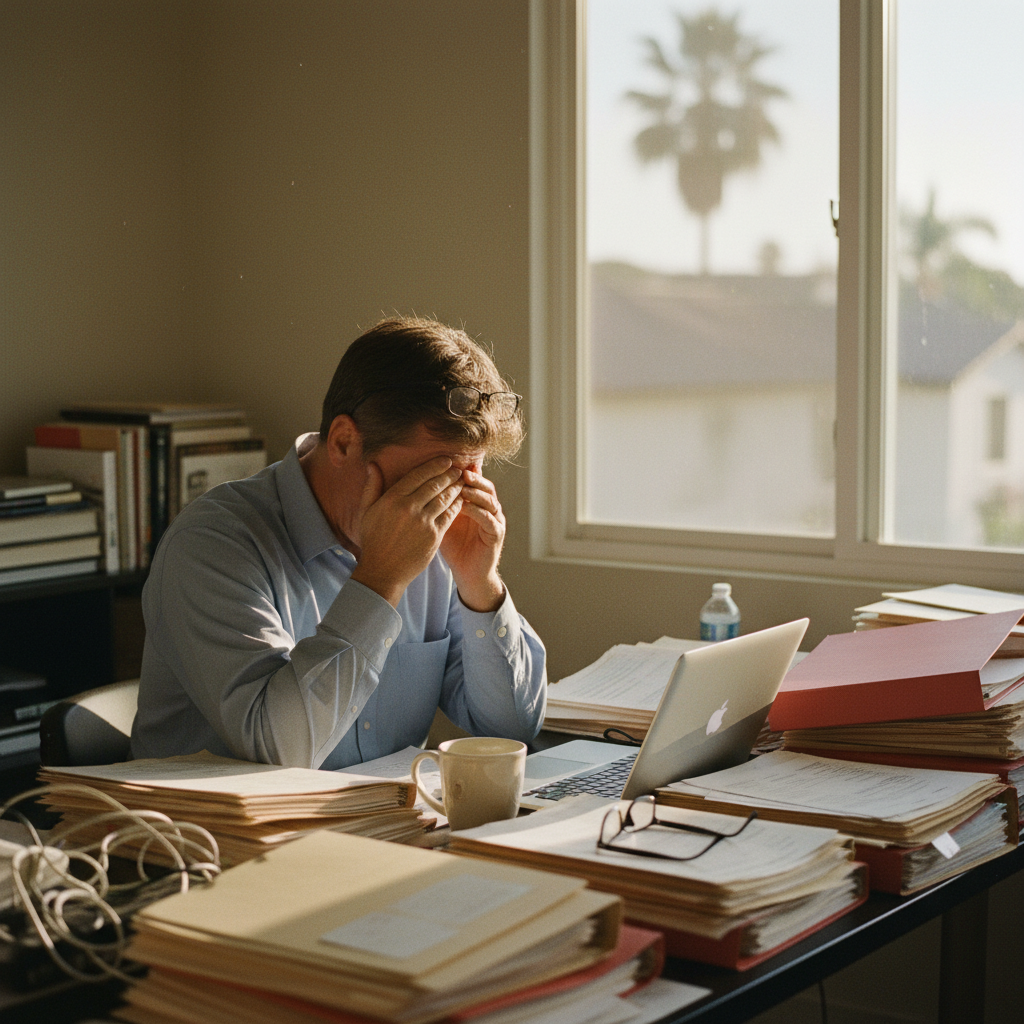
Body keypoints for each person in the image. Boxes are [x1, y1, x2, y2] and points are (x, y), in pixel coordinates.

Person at [131, 317, 547, 769]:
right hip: (208, 834)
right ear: (344, 442)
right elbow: (280, 753)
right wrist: (380, 581)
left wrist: (479, 583)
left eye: (467, 475)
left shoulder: (442, 543)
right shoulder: (211, 547)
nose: (446, 501)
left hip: (380, 826)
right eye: (427, 481)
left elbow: (513, 729)